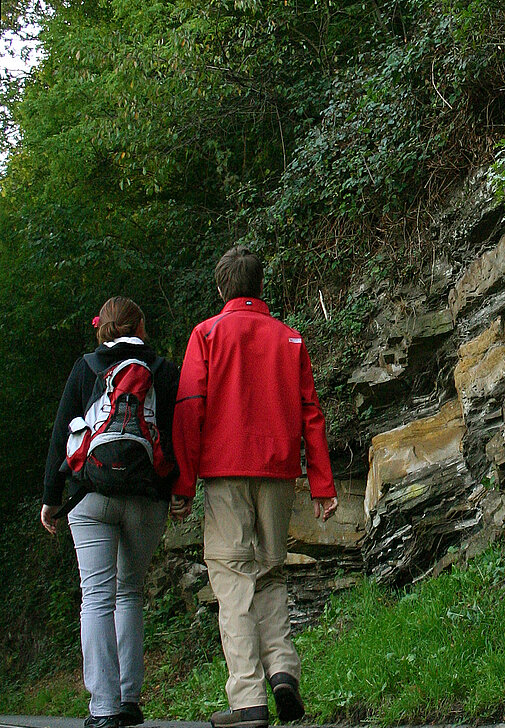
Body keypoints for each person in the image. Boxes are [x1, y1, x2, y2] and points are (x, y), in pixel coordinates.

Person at [170, 245, 338, 728]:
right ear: (261, 287)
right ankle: (283, 671)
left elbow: (190, 408)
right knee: (270, 571)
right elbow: (311, 414)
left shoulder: (206, 334)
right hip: (280, 471)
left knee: (232, 577)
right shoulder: (290, 338)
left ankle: (248, 698)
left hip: (224, 472)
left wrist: (183, 482)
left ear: (223, 288)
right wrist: (322, 484)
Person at [41, 297, 179, 728]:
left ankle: (104, 708)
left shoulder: (87, 366)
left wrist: (51, 496)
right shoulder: (161, 369)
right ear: (140, 325)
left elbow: (63, 427)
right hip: (146, 496)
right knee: (131, 593)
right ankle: (130, 700)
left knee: (97, 596)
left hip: (90, 495)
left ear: (104, 327)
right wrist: (176, 488)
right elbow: (176, 432)